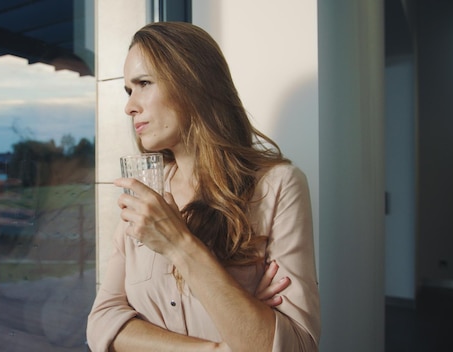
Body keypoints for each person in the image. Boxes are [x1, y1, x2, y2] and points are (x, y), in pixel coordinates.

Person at [87, 22, 320, 352]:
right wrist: (219, 346)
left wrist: (179, 244)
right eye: (128, 90)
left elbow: (297, 347)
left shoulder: (278, 186)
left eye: (143, 84)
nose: (129, 106)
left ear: (191, 82)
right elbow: (102, 322)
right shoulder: (145, 193)